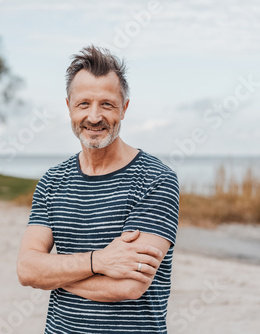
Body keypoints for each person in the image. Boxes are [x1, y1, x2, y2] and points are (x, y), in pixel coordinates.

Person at [16, 45, 179, 334]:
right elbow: (27, 269)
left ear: (124, 108)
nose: (94, 117)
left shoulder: (156, 179)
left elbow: (129, 286)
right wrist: (99, 261)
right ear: (68, 107)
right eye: (83, 104)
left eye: (106, 104)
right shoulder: (52, 181)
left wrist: (51, 272)